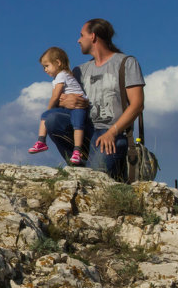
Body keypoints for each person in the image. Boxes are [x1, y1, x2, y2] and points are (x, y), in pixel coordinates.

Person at [43, 18, 145, 176]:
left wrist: (112, 132)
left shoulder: (126, 63)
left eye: (81, 35)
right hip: (84, 129)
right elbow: (63, 102)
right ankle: (76, 164)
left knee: (94, 177)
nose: (78, 40)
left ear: (93, 36)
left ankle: (98, 170)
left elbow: (137, 104)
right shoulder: (79, 71)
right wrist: (68, 102)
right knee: (51, 118)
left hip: (111, 132)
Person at [28, 47, 89, 166]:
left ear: (58, 62)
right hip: (68, 108)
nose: (45, 70)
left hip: (78, 107)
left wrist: (50, 109)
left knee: (78, 125)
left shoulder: (62, 75)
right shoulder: (59, 77)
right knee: (46, 116)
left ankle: (77, 150)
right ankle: (41, 142)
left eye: (47, 66)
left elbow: (55, 96)